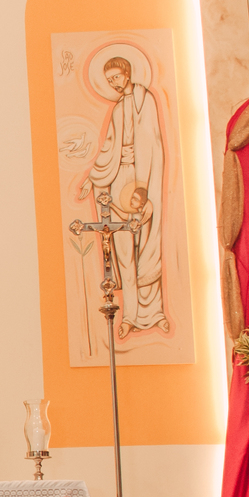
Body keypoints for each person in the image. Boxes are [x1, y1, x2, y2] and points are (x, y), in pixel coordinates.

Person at [79, 55, 168, 338]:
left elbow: (154, 143)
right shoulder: (118, 110)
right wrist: (93, 179)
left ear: (127, 73)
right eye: (109, 81)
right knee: (125, 251)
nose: (114, 84)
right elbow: (108, 148)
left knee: (148, 246)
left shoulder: (147, 100)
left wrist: (148, 185)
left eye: (116, 77)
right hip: (118, 182)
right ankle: (129, 315)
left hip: (144, 179)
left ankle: (154, 313)